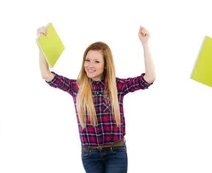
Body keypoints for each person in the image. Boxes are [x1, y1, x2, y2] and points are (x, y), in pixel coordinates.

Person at [37, 25, 156, 173]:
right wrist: (41, 44)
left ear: (106, 65)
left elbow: (149, 78)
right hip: (89, 155)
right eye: (87, 60)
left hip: (115, 153)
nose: (90, 65)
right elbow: (46, 74)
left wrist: (145, 44)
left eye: (96, 61)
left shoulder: (117, 86)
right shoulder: (77, 87)